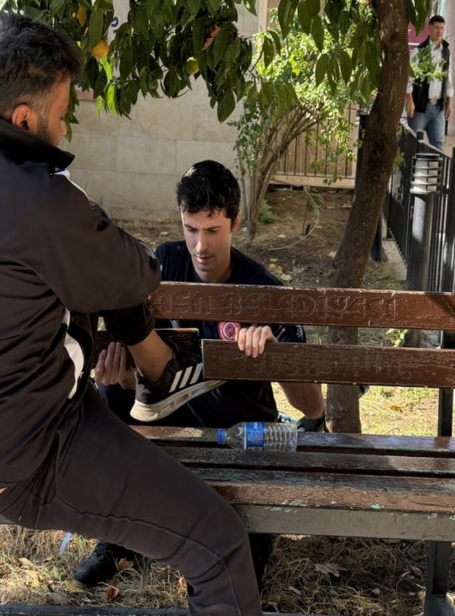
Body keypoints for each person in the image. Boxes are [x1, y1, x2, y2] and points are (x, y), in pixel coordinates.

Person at [0, 14, 262, 616]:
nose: (63, 130)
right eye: (61, 116)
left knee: (83, 264)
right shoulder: (36, 200)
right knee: (219, 545)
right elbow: (138, 273)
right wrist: (80, 212)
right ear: (24, 120)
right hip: (32, 455)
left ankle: (160, 376)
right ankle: (161, 373)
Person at [73, 160, 327, 589]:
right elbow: (144, 373)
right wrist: (120, 377)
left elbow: (312, 406)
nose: (200, 245)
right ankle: (119, 542)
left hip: (238, 433)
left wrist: (277, 357)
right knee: (110, 391)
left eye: (213, 230)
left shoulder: (263, 290)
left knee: (236, 584)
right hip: (173, 419)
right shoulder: (164, 263)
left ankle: (250, 533)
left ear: (236, 223)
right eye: (191, 229)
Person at [405, 15, 454, 151]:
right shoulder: (419, 51)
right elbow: (409, 78)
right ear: (430, 29)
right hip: (420, 107)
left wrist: (449, 102)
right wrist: (410, 101)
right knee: (413, 146)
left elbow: (448, 78)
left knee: (438, 146)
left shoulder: (446, 52)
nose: (439, 31)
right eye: (436, 28)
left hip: (438, 108)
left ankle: (437, 167)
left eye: (442, 28)